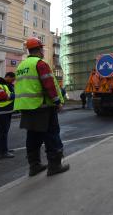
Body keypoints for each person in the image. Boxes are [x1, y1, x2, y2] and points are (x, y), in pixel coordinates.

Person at [14, 37, 70, 177]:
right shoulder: (40, 64)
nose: (43, 51)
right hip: (43, 106)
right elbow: (49, 85)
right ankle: (55, 166)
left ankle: (34, 166)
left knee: (32, 136)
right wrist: (57, 102)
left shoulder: (21, 66)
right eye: (42, 49)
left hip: (27, 107)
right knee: (51, 135)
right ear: (39, 49)